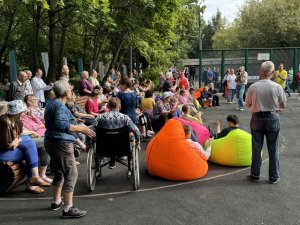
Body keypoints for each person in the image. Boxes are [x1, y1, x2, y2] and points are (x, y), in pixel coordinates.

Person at [44, 79, 95, 218]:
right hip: (60, 144)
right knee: (71, 174)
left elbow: (58, 123)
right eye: (71, 89)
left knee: (59, 172)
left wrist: (74, 123)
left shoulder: (52, 103)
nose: (72, 91)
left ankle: (56, 201)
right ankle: (68, 208)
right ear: (66, 92)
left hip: (51, 141)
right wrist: (81, 129)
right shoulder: (59, 105)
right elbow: (61, 125)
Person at [245, 61, 287, 184]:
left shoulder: (253, 87)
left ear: (260, 72)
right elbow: (283, 104)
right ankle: (274, 177)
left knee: (256, 148)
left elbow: (247, 105)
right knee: (273, 148)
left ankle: (255, 175)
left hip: (256, 118)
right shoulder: (277, 87)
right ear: (273, 73)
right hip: (273, 117)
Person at [0, 100, 50, 194]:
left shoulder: (17, 120)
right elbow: (7, 145)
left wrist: (17, 140)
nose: (24, 113)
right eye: (22, 111)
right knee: (30, 147)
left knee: (29, 144)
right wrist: (17, 140)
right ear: (17, 112)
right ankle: (33, 180)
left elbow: (18, 136)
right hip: (3, 153)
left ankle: (34, 179)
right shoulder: (4, 121)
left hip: (9, 149)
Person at [94, 97, 140, 168]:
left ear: (108, 106)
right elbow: (136, 131)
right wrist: (138, 143)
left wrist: (88, 143)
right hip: (122, 148)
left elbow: (91, 131)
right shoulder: (125, 118)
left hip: (103, 148)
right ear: (120, 106)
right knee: (131, 136)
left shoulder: (99, 117)